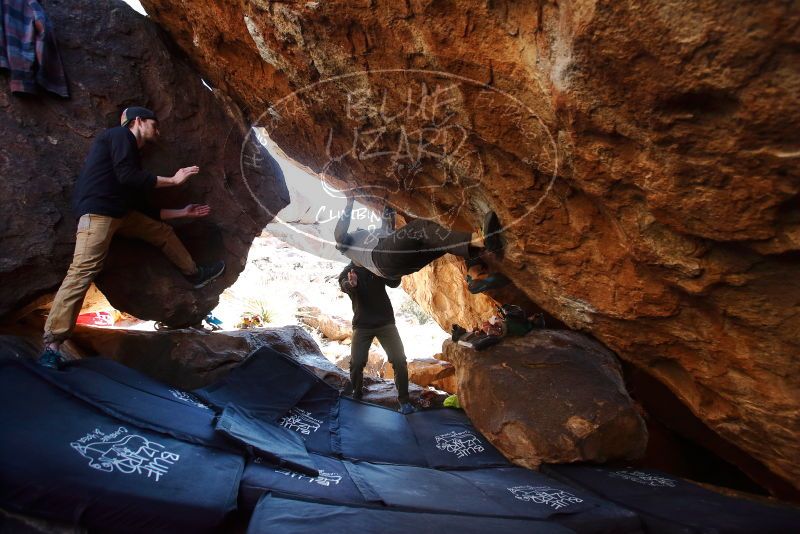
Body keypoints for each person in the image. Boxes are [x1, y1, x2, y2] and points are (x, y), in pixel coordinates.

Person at [38, 107, 225, 369]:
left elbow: (145, 207)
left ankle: (194, 274)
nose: (157, 131)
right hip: (98, 213)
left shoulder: (131, 158)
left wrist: (183, 212)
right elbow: (128, 176)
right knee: (83, 270)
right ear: (137, 121)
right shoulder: (118, 136)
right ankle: (52, 344)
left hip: (122, 214)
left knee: (161, 231)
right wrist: (173, 181)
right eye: (154, 124)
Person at [334, 194, 503, 281]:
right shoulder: (347, 246)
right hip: (382, 257)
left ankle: (476, 268)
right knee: (419, 228)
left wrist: (387, 202)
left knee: (438, 241)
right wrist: (350, 203)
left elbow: (387, 224)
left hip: (393, 268)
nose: (359, 228)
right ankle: (479, 240)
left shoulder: (370, 239)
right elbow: (340, 235)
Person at [338, 261, 416, 414]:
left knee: (399, 360)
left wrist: (394, 269)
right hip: (362, 324)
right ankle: (357, 394)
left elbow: (394, 283)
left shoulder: (376, 265)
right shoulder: (348, 271)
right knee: (357, 363)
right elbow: (344, 284)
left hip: (385, 322)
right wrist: (352, 284)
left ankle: (404, 402)